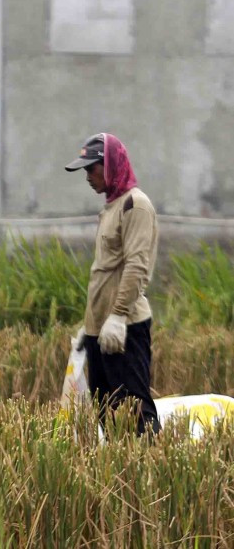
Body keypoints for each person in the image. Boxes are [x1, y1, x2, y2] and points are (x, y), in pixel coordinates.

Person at [65, 133, 160, 434]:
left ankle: (148, 473)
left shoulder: (135, 205)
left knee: (135, 412)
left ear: (110, 165)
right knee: (107, 413)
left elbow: (137, 265)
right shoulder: (111, 207)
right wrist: (89, 325)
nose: (87, 176)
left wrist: (118, 315)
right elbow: (105, 272)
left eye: (91, 168)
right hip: (101, 330)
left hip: (125, 328)